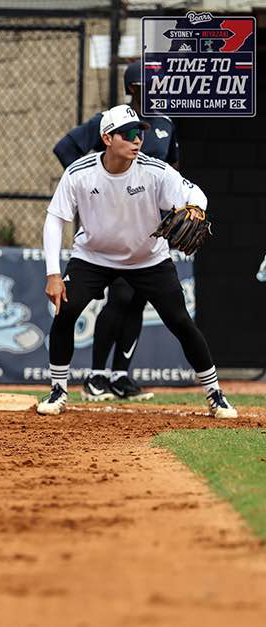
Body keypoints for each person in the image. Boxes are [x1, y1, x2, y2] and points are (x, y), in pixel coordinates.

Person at [37, 103, 236, 420]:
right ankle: (58, 391)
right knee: (66, 313)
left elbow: (195, 193)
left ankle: (215, 395)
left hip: (148, 258)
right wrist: (53, 274)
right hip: (93, 257)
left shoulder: (154, 170)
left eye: (139, 133)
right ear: (107, 138)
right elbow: (54, 220)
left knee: (180, 322)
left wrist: (196, 208)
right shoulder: (79, 173)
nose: (137, 140)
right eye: (127, 134)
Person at [53, 61, 180, 402]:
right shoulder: (108, 121)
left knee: (136, 300)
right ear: (133, 88)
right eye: (148, 85)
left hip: (148, 231)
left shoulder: (165, 123)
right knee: (121, 297)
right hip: (110, 229)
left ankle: (120, 376)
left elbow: (172, 169)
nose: (155, 90)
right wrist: (95, 190)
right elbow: (65, 149)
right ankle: (97, 375)